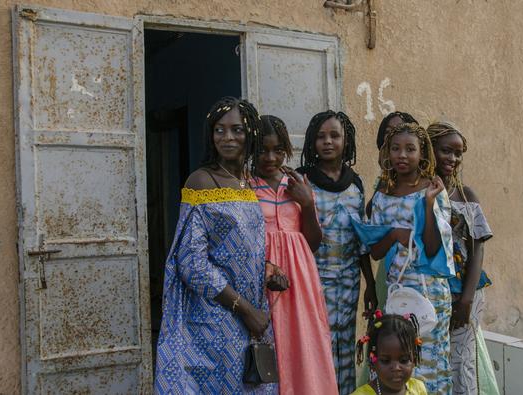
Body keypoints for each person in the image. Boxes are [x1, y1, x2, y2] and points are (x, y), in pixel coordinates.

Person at [154, 97, 280, 395]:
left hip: (249, 320)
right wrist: (244, 308)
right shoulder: (201, 181)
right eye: (219, 130)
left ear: (251, 134)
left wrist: (267, 270)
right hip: (214, 320)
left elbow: (238, 248)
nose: (228, 138)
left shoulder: (245, 183)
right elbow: (191, 264)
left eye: (237, 129)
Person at [251, 115, 338, 395]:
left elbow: (312, 241)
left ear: (287, 149)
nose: (270, 157)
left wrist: (307, 203)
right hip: (262, 276)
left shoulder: (297, 183)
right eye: (262, 149)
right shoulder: (245, 186)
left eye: (278, 150)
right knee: (271, 343)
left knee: (303, 341)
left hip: (300, 279)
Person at [369, 123, 455, 395]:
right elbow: (375, 252)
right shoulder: (382, 195)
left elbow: (432, 248)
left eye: (410, 149)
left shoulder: (433, 189)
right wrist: (395, 234)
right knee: (402, 362)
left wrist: (428, 205)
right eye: (396, 149)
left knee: (432, 363)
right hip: (400, 292)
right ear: (387, 153)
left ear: (422, 154)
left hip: (431, 293)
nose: (402, 155)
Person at [297, 110, 378, 395]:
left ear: (347, 140)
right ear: (311, 142)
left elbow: (360, 241)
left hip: (348, 282)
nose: (327, 142)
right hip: (313, 281)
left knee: (345, 344)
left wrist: (369, 282)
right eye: (320, 137)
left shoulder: (355, 184)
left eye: (334, 135)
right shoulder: (302, 181)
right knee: (317, 345)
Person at [427, 121, 498, 395]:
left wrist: (467, 300)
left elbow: (478, 248)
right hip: (432, 290)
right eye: (446, 151)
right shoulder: (420, 192)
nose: (453, 159)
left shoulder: (466, 196)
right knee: (433, 364)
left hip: (465, 290)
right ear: (430, 149)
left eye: (458, 154)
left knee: (462, 364)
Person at [353, 313, 428, 395]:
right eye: (385, 361)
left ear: (414, 359)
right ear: (372, 362)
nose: (396, 368)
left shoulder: (418, 389)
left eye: (404, 360)